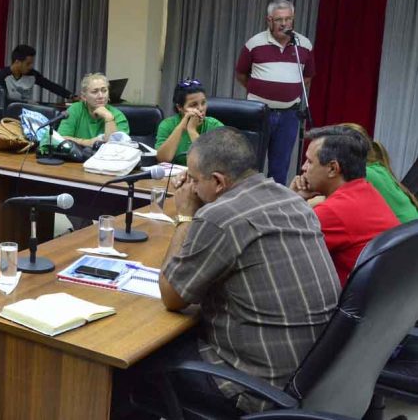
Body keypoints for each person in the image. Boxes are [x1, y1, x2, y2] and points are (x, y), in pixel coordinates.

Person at [152, 127, 339, 414]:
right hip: (312, 378)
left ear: (217, 181)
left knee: (142, 357)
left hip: (257, 388)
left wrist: (186, 215)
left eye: (193, 179)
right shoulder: (292, 199)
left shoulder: (220, 217)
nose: (189, 186)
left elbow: (172, 295)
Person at [290, 126, 400, 285]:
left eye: (309, 161)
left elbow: (280, 250)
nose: (303, 167)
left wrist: (293, 199)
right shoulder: (366, 190)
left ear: (333, 169)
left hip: (352, 304)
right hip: (385, 300)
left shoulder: (333, 212)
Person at [235, 0, 314, 185]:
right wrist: (261, 91)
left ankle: (273, 207)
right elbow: (241, 74)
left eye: (288, 19)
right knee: (251, 164)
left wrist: (286, 91)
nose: (284, 24)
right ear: (269, 20)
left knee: (280, 166)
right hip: (259, 113)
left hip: (289, 115)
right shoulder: (254, 43)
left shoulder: (303, 44)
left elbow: (307, 78)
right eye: (279, 20)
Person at [339, 122, 418, 223]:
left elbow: (328, 202)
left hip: (404, 235)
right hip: (409, 232)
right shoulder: (376, 168)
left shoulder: (364, 173)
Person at [155, 79, 224, 165]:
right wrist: (181, 127)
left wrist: (192, 130)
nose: (201, 108)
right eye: (193, 105)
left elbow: (208, 162)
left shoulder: (215, 125)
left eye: (203, 103)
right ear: (179, 107)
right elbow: (163, 159)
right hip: (175, 176)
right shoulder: (167, 125)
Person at [57, 72, 129, 146]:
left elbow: (115, 147)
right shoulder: (75, 109)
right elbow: (60, 138)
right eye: (95, 92)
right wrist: (88, 142)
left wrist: (108, 118)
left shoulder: (118, 115)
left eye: (104, 91)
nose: (101, 96)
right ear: (84, 97)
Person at [0, 44, 72, 103]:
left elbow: (50, 85)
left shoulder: (32, 74)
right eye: (28, 64)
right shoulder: (1, 76)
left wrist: (70, 95)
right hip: (7, 114)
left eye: (31, 63)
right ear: (17, 62)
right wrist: (27, 103)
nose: (30, 67)